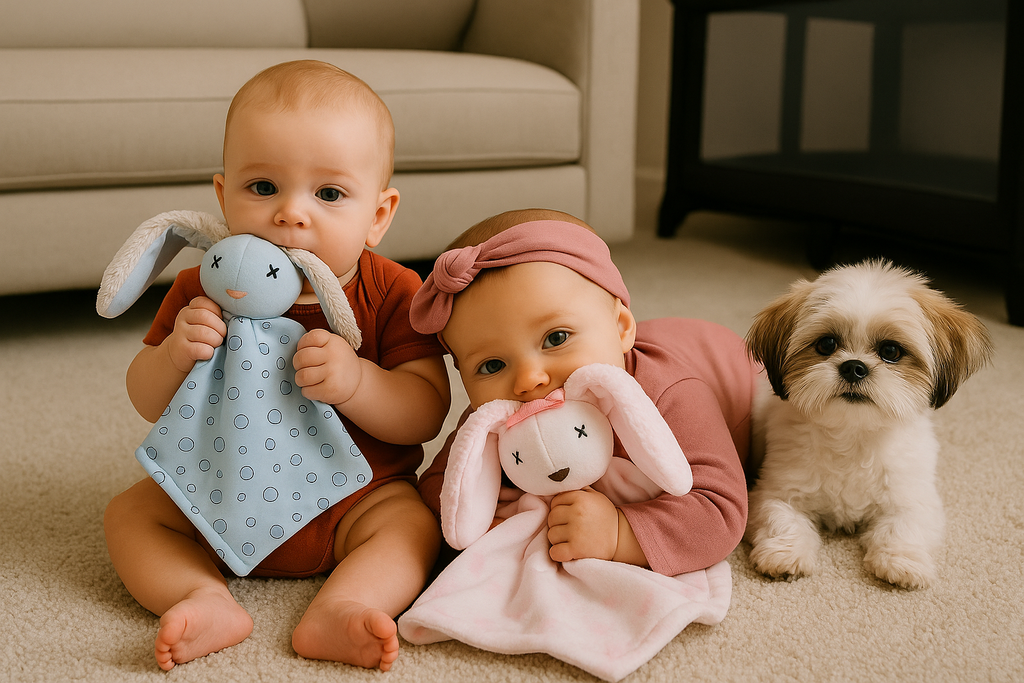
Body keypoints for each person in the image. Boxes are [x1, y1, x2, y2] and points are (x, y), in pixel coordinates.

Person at [103, 60, 450, 672]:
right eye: (263, 188)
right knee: (130, 514)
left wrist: (359, 382)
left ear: (378, 214)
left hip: (355, 502)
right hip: (215, 492)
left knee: (415, 524)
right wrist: (175, 354)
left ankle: (346, 603)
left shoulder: (391, 290)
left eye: (329, 193)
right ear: (222, 195)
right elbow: (146, 399)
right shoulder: (201, 288)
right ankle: (199, 595)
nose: (291, 213)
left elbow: (426, 410)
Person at [411, 208, 756, 576]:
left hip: (741, 374)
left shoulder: (669, 394)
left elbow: (720, 509)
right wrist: (484, 516)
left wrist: (619, 533)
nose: (528, 379)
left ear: (621, 327)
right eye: (492, 365)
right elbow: (439, 485)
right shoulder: (497, 415)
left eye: (555, 338)